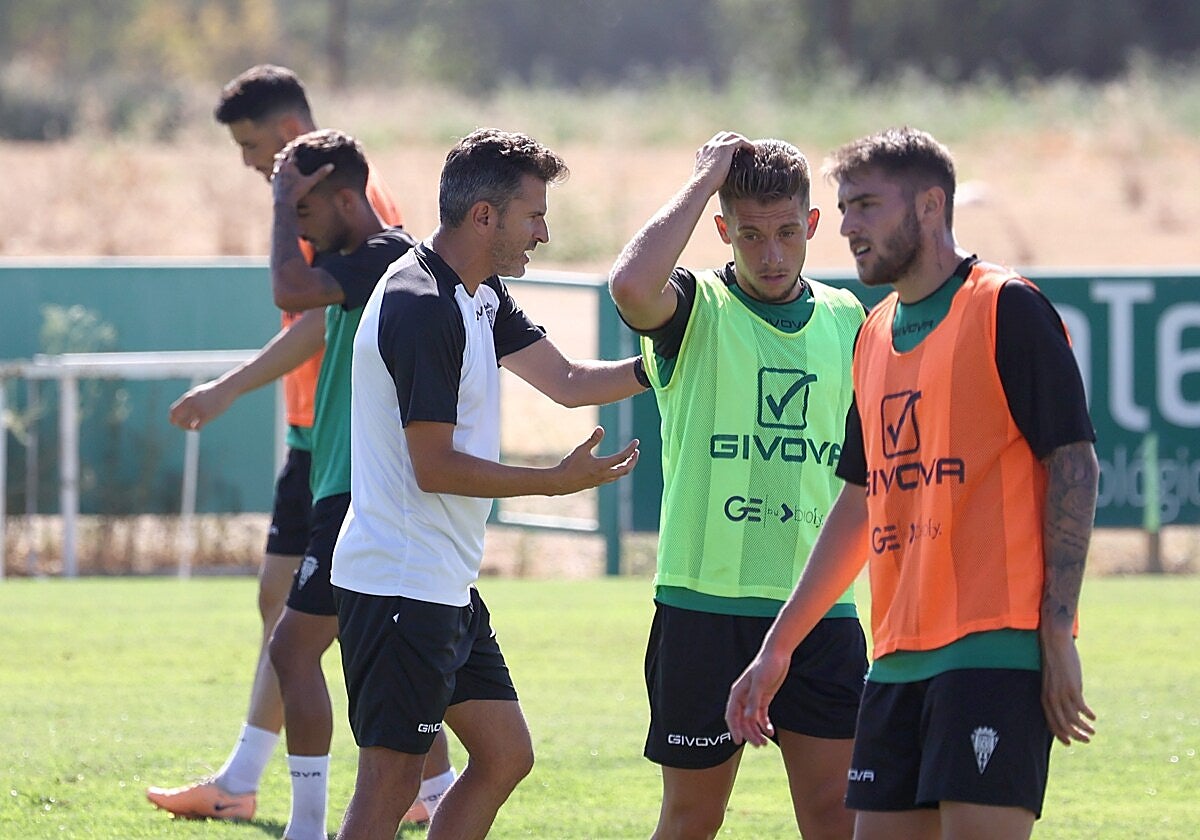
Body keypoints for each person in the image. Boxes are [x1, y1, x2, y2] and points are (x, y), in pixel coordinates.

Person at [726, 126, 1099, 840]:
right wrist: (778, 647)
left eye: (866, 205)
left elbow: (1074, 466)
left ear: (930, 205)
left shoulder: (1006, 307)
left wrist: (1056, 632)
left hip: (994, 650)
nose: (848, 226)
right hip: (895, 662)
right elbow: (859, 502)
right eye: (843, 208)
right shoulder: (873, 334)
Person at [147, 65, 455, 829]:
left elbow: (313, 312)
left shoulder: (354, 208)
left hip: (345, 447)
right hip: (315, 436)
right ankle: (269, 782)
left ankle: (379, 794)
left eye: (251, 146)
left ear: (289, 137)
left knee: (344, 628)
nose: (248, 163)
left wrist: (229, 388)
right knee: (302, 617)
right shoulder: (328, 204)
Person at [329, 127, 644, 840]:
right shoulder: (421, 303)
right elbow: (434, 466)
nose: (544, 232)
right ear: (484, 217)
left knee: (505, 755)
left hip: (442, 583)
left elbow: (568, 381)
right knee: (391, 783)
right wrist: (553, 483)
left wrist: (665, 364)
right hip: (398, 584)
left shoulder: (478, 291)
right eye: (534, 216)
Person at [608, 132, 868, 840]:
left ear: (812, 225)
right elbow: (630, 287)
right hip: (704, 607)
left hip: (820, 609)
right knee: (693, 818)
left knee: (838, 819)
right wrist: (703, 180)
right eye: (750, 235)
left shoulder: (849, 319)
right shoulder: (695, 308)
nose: (771, 254)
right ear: (722, 230)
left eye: (787, 233)